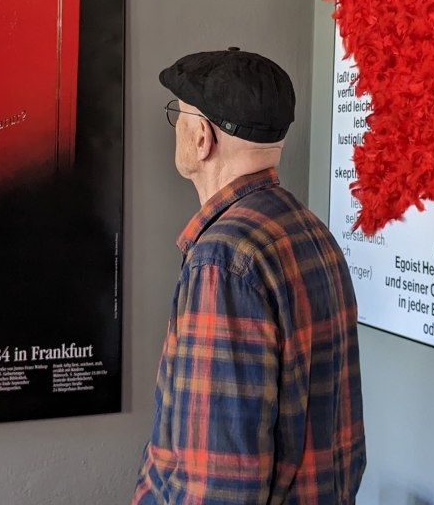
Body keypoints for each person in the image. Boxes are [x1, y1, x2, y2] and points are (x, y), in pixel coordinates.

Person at [132, 47, 365, 505]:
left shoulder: (223, 262)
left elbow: (219, 481)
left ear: (202, 137)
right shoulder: (309, 230)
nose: (176, 128)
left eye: (178, 115)